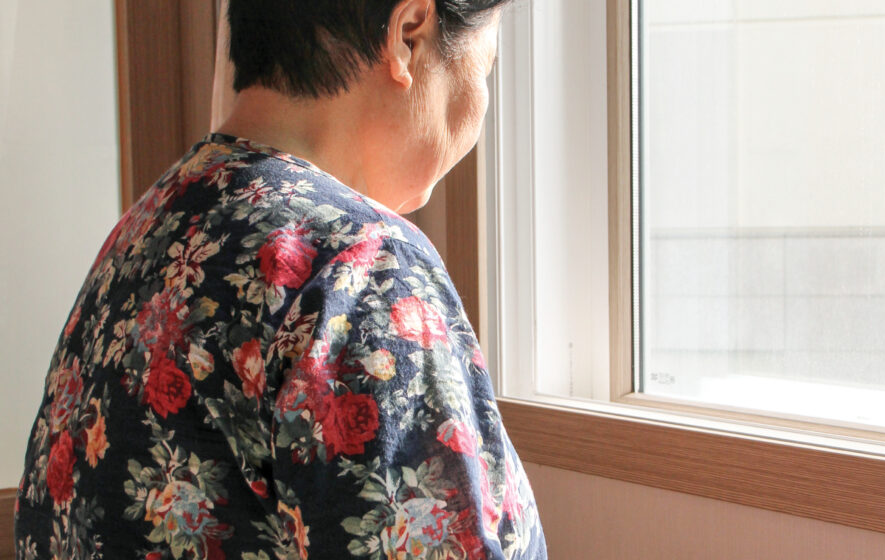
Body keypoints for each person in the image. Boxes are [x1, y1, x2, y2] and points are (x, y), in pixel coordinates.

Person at [14, 0, 548, 558]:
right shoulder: (361, 266)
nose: (482, 106)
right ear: (407, 36)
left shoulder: (145, 230)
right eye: (484, 69)